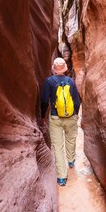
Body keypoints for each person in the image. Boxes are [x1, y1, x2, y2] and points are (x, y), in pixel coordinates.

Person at [40, 57, 81, 186]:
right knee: (71, 140)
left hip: (55, 118)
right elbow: (77, 101)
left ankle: (62, 177)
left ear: (54, 69)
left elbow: (45, 100)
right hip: (70, 117)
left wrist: (42, 115)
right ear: (65, 69)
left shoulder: (49, 82)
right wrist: (74, 114)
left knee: (57, 147)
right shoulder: (71, 82)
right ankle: (71, 161)